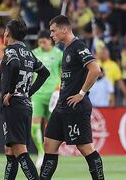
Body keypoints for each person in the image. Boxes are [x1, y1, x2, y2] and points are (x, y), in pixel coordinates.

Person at [41, 15, 104, 180]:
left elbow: (95, 69)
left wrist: (81, 94)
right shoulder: (66, 48)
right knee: (49, 144)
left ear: (64, 29)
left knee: (85, 148)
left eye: (53, 31)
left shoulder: (78, 46)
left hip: (75, 107)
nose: (51, 34)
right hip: (62, 106)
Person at [1, 19, 50, 180]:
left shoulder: (10, 50)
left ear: (8, 32)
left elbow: (14, 65)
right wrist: (29, 92)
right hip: (25, 104)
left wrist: (10, 91)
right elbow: (45, 73)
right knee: (11, 151)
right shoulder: (29, 53)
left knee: (20, 151)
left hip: (14, 105)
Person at [30, 30, 62, 168]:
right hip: (37, 94)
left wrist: (59, 89)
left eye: (45, 41)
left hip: (53, 94)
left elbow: (62, 73)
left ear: (51, 41)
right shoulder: (34, 53)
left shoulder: (59, 54)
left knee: (51, 127)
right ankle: (41, 152)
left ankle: (51, 153)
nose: (42, 44)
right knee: (34, 125)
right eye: (40, 42)